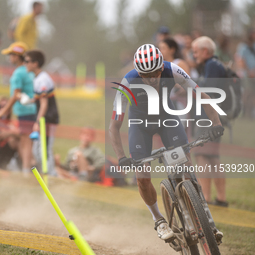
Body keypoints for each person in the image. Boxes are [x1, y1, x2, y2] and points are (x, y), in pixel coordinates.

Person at [109, 44, 224, 242]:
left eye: (155, 73)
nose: (151, 79)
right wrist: (121, 157)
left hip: (167, 119)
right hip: (140, 124)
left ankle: (205, 219)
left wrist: (216, 122)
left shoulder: (174, 70)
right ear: (138, 72)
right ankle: (159, 220)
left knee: (185, 166)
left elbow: (200, 95)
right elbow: (114, 126)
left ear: (161, 68)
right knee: (142, 176)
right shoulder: (128, 82)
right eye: (146, 75)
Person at [192, 36, 228, 207]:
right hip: (216, 116)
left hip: (208, 118)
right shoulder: (216, 65)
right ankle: (221, 198)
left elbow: (208, 91)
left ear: (205, 51)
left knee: (202, 156)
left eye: (196, 52)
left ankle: (205, 197)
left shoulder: (211, 65)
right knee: (213, 157)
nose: (194, 56)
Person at [0, 42, 36, 175]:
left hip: (25, 111)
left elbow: (15, 95)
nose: (9, 57)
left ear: (17, 56)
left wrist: (1, 113)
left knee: (25, 141)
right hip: (31, 111)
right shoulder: (29, 72)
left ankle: (27, 170)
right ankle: (27, 169)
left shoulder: (18, 73)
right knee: (24, 140)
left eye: (11, 54)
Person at [24, 50, 60, 176]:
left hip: (48, 119)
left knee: (45, 150)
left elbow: (44, 104)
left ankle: (52, 176)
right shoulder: (38, 78)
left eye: (27, 61)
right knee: (37, 150)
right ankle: (47, 175)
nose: (25, 64)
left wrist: (37, 122)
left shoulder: (42, 79)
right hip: (44, 119)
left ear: (35, 63)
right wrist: (29, 100)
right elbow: (40, 99)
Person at [236, 28, 255, 119]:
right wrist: (248, 71)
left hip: (253, 73)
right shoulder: (243, 46)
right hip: (246, 74)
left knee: (252, 94)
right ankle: (242, 111)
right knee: (247, 92)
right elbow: (240, 60)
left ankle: (250, 112)